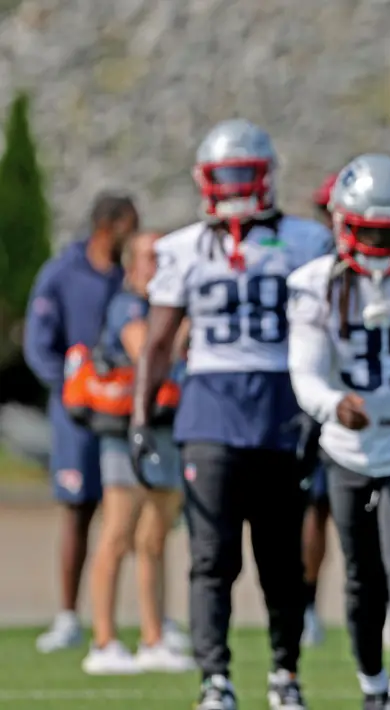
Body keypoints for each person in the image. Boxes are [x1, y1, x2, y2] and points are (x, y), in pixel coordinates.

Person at [130, 119, 333, 710]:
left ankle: (284, 674)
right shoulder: (183, 248)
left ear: (267, 177)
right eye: (229, 176)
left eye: (248, 174)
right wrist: (142, 417)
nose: (239, 187)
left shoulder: (304, 240)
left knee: (279, 560)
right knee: (211, 559)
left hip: (281, 410)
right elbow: (160, 342)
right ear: (206, 181)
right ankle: (215, 679)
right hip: (212, 415)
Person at [288, 154, 390, 710]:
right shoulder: (313, 284)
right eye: (369, 233)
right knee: (362, 580)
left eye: (389, 234)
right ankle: (373, 685)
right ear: (342, 224)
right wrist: (335, 404)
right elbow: (304, 372)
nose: (380, 247)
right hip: (350, 448)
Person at [24, 191, 139, 653]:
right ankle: (70, 616)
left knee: (133, 511)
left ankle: (136, 618)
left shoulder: (129, 278)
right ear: (108, 226)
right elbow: (39, 343)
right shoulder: (62, 273)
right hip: (77, 415)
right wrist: (72, 390)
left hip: (124, 414)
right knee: (78, 509)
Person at [82, 231, 194, 675]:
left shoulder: (164, 306)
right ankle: (104, 641)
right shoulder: (127, 304)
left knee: (154, 537)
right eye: (150, 258)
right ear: (132, 265)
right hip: (127, 430)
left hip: (167, 428)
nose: (158, 266)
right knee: (117, 535)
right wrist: (188, 323)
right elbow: (149, 350)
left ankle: (154, 636)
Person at [299, 171, 340, 648]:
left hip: (370, 400)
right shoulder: (313, 266)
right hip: (319, 403)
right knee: (313, 509)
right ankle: (306, 604)